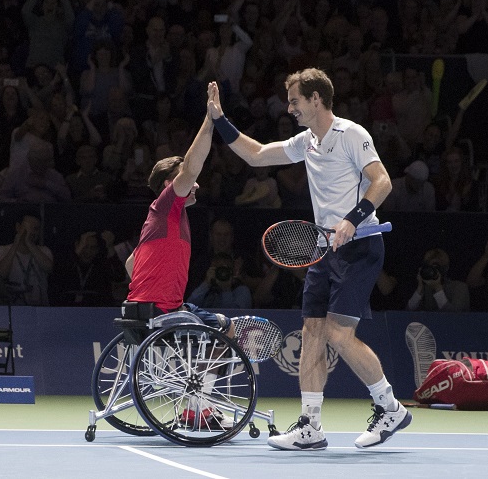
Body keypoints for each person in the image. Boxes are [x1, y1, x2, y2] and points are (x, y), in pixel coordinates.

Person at [207, 69, 411, 450]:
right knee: (313, 332)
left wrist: (352, 219)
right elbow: (256, 155)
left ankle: (390, 407)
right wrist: (220, 120)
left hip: (360, 245)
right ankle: (310, 425)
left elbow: (382, 181)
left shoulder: (352, 134)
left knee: (337, 333)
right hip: (323, 248)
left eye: (296, 101)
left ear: (316, 99)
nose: (290, 108)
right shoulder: (307, 142)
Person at [124, 95, 236, 430]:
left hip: (148, 307)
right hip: (162, 311)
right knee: (225, 329)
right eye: (185, 178)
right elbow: (193, 164)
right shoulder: (167, 205)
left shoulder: (162, 220)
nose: (196, 182)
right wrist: (210, 120)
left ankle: (195, 406)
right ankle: (195, 408)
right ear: (169, 185)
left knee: (215, 324)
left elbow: (131, 263)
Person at [0, 211, 54, 305]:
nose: (32, 232)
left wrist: (29, 243)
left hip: (38, 310)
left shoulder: (44, 251)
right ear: (18, 227)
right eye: (28, 228)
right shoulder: (1, 250)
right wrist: (16, 244)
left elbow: (49, 268)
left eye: (35, 229)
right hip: (8, 310)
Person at [50, 230, 115, 306]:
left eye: (93, 248)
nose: (88, 251)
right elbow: (59, 274)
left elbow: (119, 276)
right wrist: (78, 250)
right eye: (85, 246)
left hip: (96, 311)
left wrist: (110, 247)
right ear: (77, 245)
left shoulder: (100, 265)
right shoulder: (67, 262)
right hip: (66, 310)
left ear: (97, 249)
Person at [406, 248, 470, 312]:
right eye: (431, 267)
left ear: (445, 268)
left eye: (437, 267)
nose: (434, 271)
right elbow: (409, 311)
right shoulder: (425, 289)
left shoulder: (459, 287)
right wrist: (419, 288)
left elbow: (454, 315)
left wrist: (438, 288)